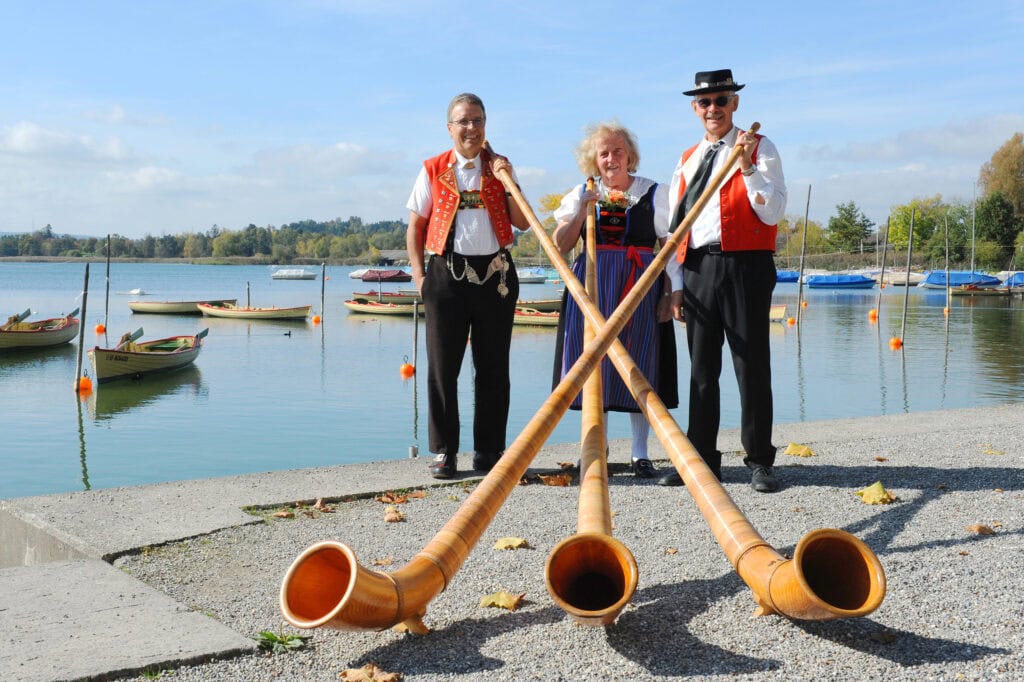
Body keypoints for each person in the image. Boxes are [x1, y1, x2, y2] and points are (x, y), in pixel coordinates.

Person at [659, 69, 787, 492]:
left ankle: (760, 461)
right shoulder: (686, 158)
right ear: (695, 109)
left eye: (720, 100)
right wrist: (675, 283)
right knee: (701, 369)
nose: (712, 108)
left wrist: (747, 167)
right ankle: (701, 462)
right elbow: (677, 227)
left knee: (751, 365)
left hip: (746, 266)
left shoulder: (760, 148)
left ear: (735, 104)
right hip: (697, 267)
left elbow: (771, 213)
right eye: (704, 102)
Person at [406, 92, 528, 479]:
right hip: (446, 276)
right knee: (443, 368)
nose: (471, 128)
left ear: (485, 126)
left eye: (477, 121)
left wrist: (508, 179)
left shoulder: (500, 168)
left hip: (496, 278)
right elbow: (415, 226)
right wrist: (419, 276)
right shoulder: (432, 169)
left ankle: (489, 452)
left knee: (493, 369)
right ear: (450, 128)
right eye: (463, 122)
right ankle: (445, 452)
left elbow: (524, 222)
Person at [551, 122, 683, 478]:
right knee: (596, 367)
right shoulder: (580, 193)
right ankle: (597, 450)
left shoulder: (655, 193)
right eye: (604, 152)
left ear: (630, 156)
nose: (611, 159)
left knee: (640, 362)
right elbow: (560, 245)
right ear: (594, 159)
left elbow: (670, 249)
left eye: (618, 151)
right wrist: (582, 210)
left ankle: (641, 453)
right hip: (592, 287)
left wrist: (672, 291)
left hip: (639, 286)